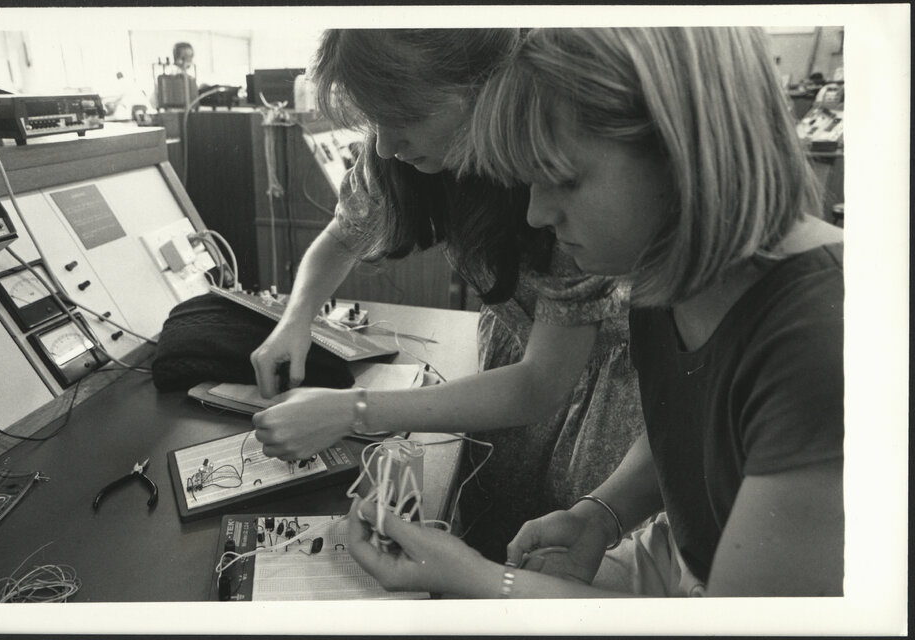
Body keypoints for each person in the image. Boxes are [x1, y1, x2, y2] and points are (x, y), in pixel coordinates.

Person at [345, 26, 844, 598]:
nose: (535, 214)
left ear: (683, 149)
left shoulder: (822, 342)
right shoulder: (665, 266)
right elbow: (693, 430)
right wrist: (603, 512)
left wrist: (475, 576)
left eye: (562, 179)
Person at [249, 29, 645, 561]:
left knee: (557, 560)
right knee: (493, 538)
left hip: (600, 403)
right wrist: (293, 320)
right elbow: (341, 237)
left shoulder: (560, 179)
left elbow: (541, 383)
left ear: (486, 87)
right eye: (375, 120)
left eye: (405, 117)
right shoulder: (402, 152)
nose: (386, 145)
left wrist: (352, 410)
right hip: (513, 370)